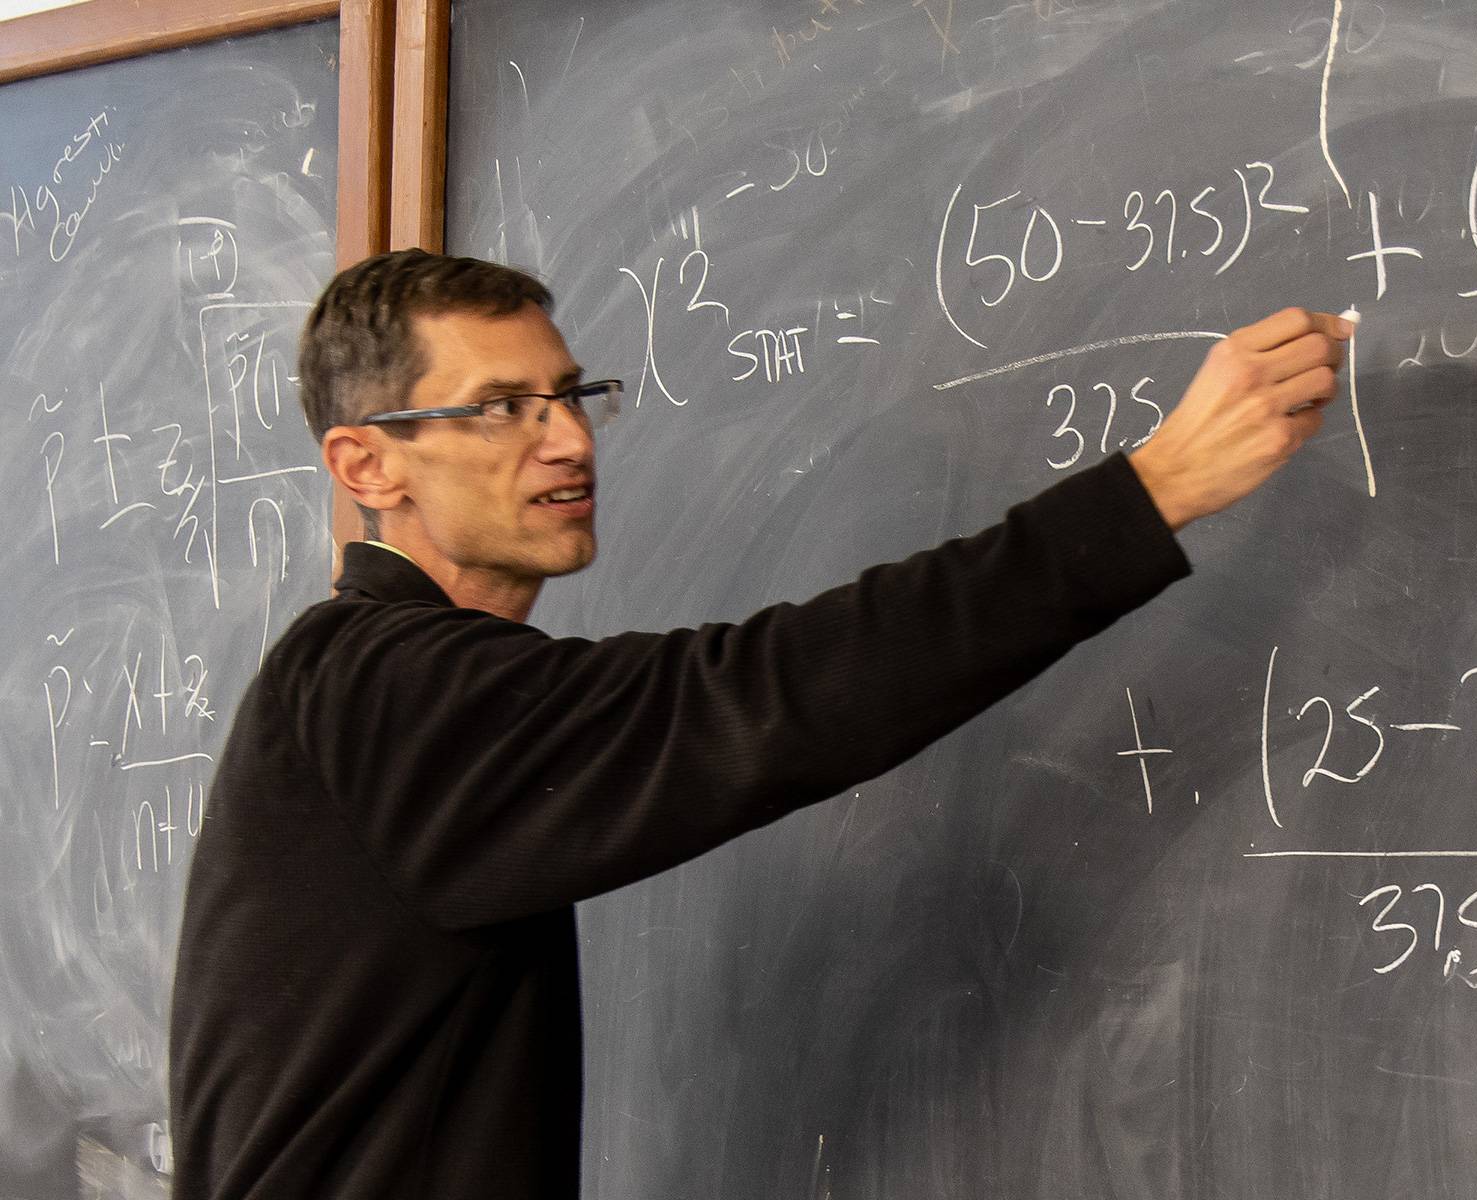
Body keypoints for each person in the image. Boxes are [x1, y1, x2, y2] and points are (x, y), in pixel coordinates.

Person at [167, 249, 1352, 1199]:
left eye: (569, 397)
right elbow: (768, 698)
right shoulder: (385, 688)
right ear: (366, 464)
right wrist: (1156, 488)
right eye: (499, 409)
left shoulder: (382, 685)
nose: (570, 439)